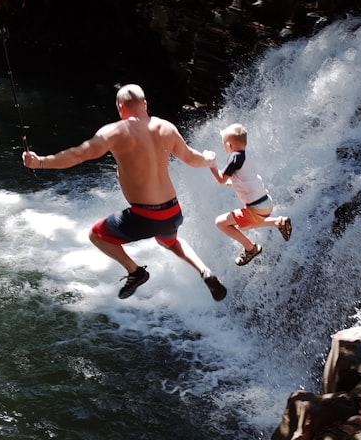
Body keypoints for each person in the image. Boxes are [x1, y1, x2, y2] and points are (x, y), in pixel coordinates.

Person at [21, 84, 227, 301]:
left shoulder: (114, 132)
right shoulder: (166, 128)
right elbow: (193, 159)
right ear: (145, 104)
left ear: (120, 108)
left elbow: (78, 155)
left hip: (145, 216)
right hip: (172, 212)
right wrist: (210, 159)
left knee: (96, 235)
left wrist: (40, 162)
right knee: (169, 241)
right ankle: (204, 271)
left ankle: (135, 271)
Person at [208, 123, 291, 266]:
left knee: (220, 223)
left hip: (256, 208)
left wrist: (212, 165)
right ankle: (279, 222)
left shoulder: (234, 158)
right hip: (265, 202)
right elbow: (245, 178)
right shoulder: (247, 155)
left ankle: (250, 248)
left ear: (229, 145)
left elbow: (221, 179)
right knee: (243, 225)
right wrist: (233, 183)